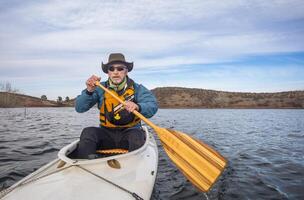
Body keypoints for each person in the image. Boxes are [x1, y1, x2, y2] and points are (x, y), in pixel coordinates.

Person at [74, 53, 158, 159]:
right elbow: (79, 108)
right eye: (111, 69)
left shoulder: (138, 89)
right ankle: (86, 164)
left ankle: (133, 166)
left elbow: (152, 105)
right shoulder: (99, 88)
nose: (115, 72)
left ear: (126, 71)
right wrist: (89, 91)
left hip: (130, 133)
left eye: (120, 68)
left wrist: (138, 106)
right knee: (88, 132)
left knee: (136, 136)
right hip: (106, 134)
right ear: (108, 72)